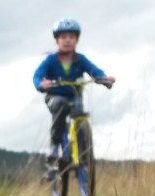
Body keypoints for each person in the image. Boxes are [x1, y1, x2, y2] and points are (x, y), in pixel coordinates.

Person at [32, 18, 115, 166]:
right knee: (61, 104)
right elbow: (37, 75)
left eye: (71, 37)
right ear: (57, 40)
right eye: (63, 37)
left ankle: (83, 153)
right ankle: (54, 145)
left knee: (81, 117)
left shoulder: (80, 60)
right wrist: (41, 83)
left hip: (75, 97)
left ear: (77, 40)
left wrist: (104, 79)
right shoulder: (51, 60)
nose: (67, 40)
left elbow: (94, 70)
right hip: (55, 98)